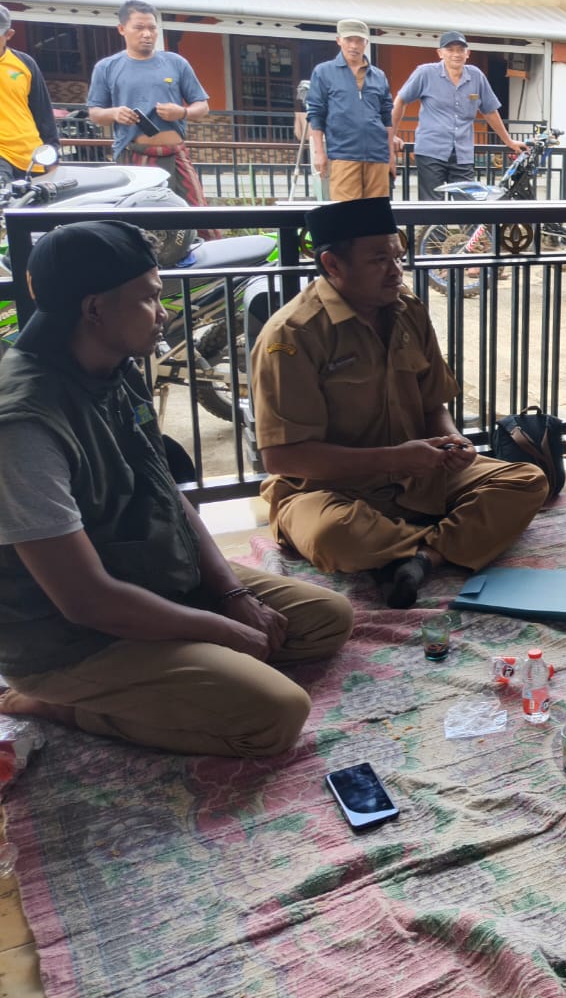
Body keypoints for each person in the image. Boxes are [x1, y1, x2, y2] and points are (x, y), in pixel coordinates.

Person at [0, 221, 353, 757]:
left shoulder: (110, 363)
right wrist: (219, 629)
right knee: (276, 715)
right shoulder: (23, 425)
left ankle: (183, 656)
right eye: (148, 297)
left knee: (329, 621)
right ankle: (60, 703)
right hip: (73, 639)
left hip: (150, 574)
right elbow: (85, 601)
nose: (163, 310)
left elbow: (162, 484)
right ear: (94, 309)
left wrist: (231, 595)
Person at [251, 197, 549, 608]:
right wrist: (394, 459)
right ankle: (443, 542)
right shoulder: (293, 335)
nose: (395, 271)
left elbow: (433, 406)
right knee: (334, 536)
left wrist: (452, 442)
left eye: (397, 256)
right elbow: (284, 458)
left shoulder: (407, 310)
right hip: (328, 491)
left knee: (526, 482)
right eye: (378, 260)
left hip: (418, 474)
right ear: (332, 265)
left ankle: (420, 559)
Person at [87, 0, 218, 239]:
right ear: (122, 29)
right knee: (139, 219)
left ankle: (211, 269)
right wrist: (115, 113)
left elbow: (202, 107)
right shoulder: (107, 67)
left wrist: (183, 112)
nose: (147, 34)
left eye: (152, 28)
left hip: (176, 153)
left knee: (197, 212)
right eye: (139, 27)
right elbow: (95, 113)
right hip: (134, 155)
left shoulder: (176, 63)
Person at [393, 32, 525, 199]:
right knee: (433, 207)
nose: (456, 54)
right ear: (440, 53)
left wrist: (508, 141)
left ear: (467, 53)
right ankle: (434, 226)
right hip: (431, 151)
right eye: (450, 49)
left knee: (467, 206)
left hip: (462, 153)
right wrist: (392, 135)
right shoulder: (425, 73)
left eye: (460, 50)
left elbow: (489, 111)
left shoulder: (476, 76)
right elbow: (400, 101)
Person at [304, 19, 396, 203]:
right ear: (339, 40)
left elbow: (387, 116)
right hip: (343, 154)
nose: (354, 45)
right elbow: (316, 113)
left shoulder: (378, 75)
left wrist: (391, 155)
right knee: (346, 214)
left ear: (366, 43)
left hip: (377, 155)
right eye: (349, 40)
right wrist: (319, 153)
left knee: (377, 214)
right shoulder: (324, 72)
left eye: (359, 40)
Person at [0, 6, 59, 182]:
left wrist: (52, 155)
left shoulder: (24, 63)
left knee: (32, 208)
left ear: (9, 35)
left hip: (31, 155)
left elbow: (43, 113)